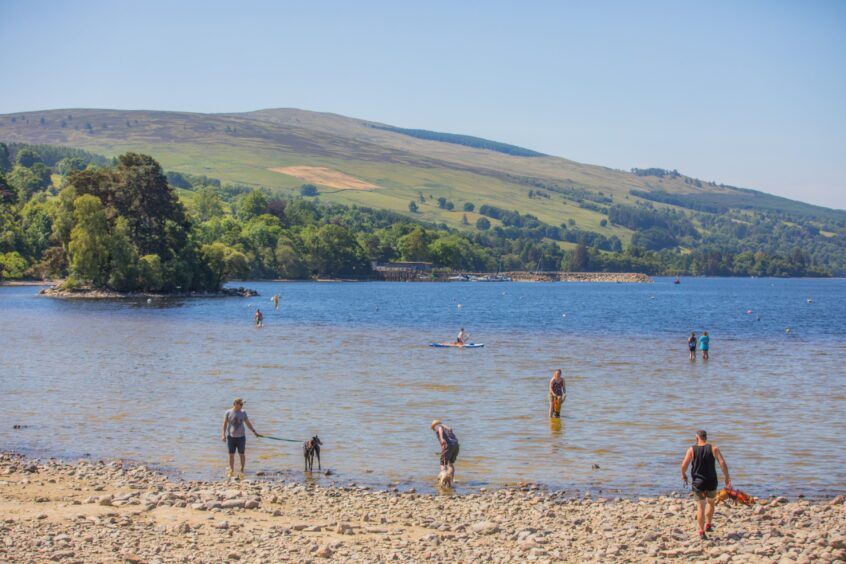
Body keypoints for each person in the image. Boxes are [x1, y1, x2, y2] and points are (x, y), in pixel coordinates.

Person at [680, 430, 731, 540]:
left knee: (700, 507)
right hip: (711, 482)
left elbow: (684, 465)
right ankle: (708, 524)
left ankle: (701, 531)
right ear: (706, 438)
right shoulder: (714, 448)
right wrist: (727, 477)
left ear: (697, 437)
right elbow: (722, 463)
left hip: (698, 483)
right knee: (711, 503)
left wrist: (683, 475)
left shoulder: (691, 449)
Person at [221, 398, 261, 479]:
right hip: (231, 437)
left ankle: (242, 469)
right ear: (235, 403)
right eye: (241, 404)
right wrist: (223, 435)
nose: (242, 406)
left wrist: (254, 432)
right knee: (231, 455)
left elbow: (247, 423)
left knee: (242, 454)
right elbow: (224, 424)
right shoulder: (228, 412)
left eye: (242, 404)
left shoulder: (243, 412)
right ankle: (232, 471)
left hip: (241, 437)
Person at [431, 419, 459, 487]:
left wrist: (442, 438)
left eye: (433, 428)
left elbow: (440, 428)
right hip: (456, 445)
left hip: (448, 445)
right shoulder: (448, 429)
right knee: (451, 464)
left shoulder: (437, 427)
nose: (434, 430)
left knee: (442, 464)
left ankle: (443, 480)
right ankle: (450, 480)